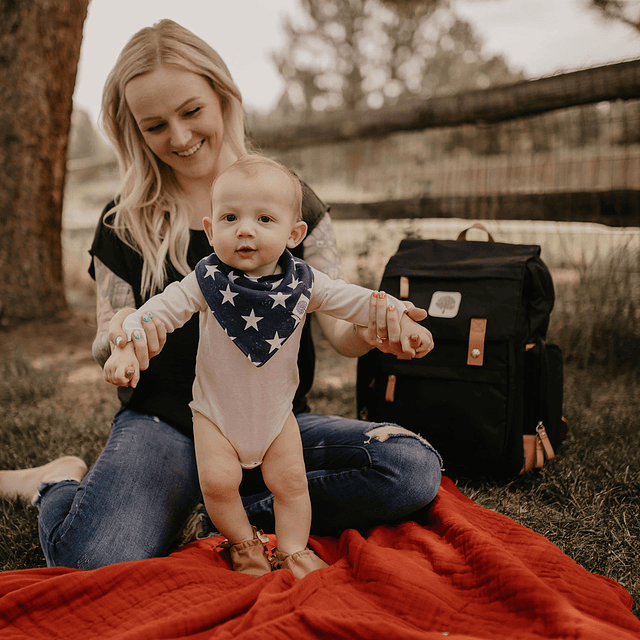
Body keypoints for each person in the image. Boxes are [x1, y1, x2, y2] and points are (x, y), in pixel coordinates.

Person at [0, 19, 442, 572]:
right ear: (133, 129)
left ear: (222, 96)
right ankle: (57, 481)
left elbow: (340, 334)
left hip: (273, 417)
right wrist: (121, 343)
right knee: (96, 555)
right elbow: (106, 332)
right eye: (155, 125)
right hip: (164, 424)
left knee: (409, 468)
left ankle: (217, 511)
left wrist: (374, 331)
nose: (179, 138)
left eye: (190, 112)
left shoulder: (292, 201)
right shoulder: (122, 221)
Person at [104, 154, 433, 578]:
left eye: (263, 219)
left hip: (277, 415)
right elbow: (157, 312)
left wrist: (399, 318)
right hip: (215, 415)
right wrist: (127, 346)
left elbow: (355, 300)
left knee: (291, 484)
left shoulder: (306, 283)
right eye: (229, 218)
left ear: (294, 233)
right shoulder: (205, 282)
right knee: (219, 484)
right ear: (210, 229)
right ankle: (242, 542)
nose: (245, 229)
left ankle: (292, 549)